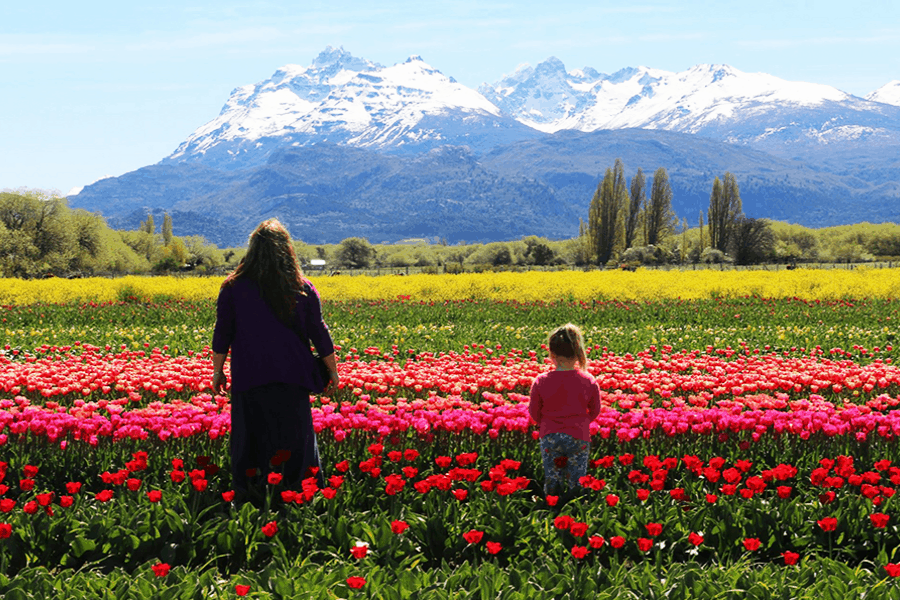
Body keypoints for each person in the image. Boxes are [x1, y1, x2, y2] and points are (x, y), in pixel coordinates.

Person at [211, 219, 339, 497]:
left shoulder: (233, 287)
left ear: (253, 249)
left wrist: (217, 371)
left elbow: (223, 332)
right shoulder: (302, 287)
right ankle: (299, 492)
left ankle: (250, 492)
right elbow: (319, 332)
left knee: (251, 436)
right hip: (293, 376)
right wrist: (333, 370)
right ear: (287, 250)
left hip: (250, 374)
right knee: (295, 437)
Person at [528, 323, 601, 499]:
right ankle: (576, 505)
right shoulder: (588, 380)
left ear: (551, 354)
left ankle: (553, 505)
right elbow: (596, 410)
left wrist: (544, 422)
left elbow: (534, 412)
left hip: (550, 435)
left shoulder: (541, 381)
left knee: (553, 476)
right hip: (579, 434)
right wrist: (581, 421)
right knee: (577, 476)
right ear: (577, 354)